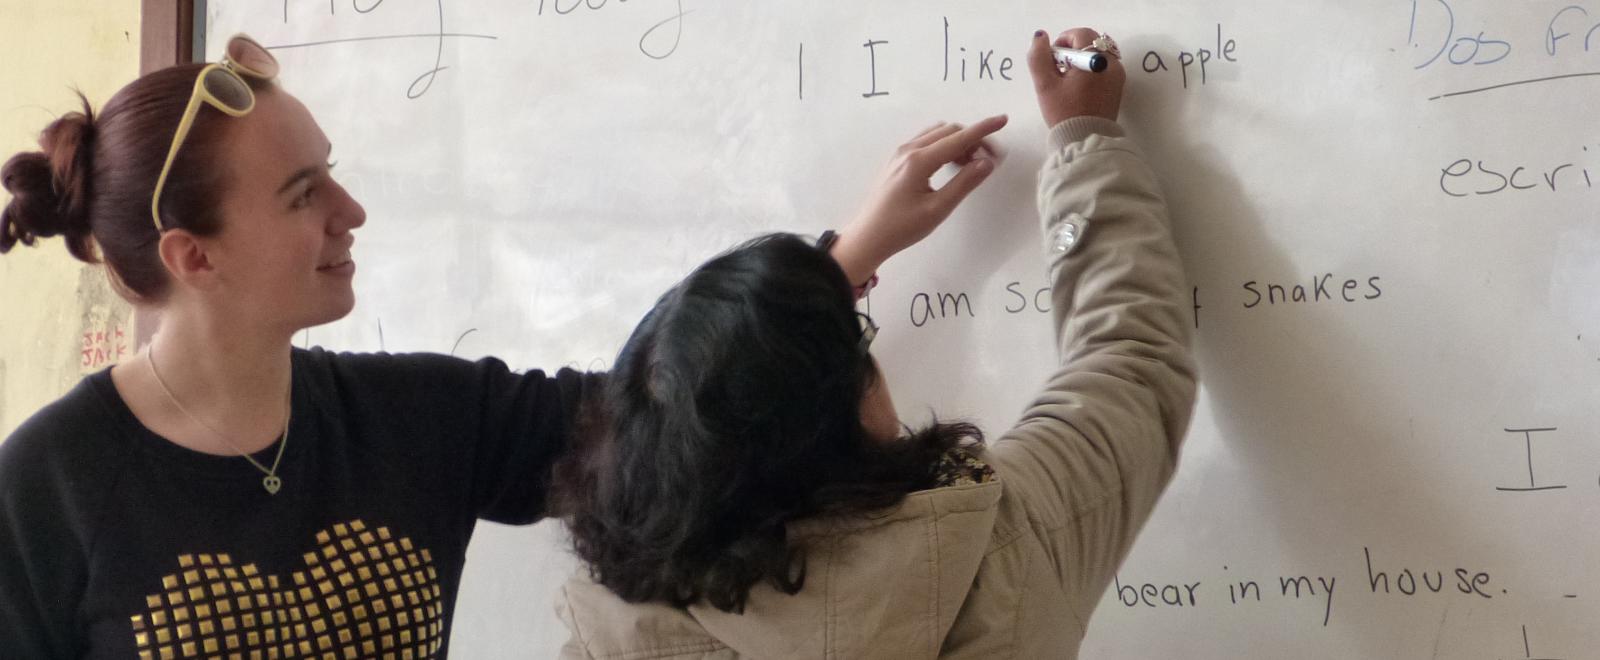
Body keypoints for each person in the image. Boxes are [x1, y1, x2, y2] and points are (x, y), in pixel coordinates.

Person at [0, 35, 1004, 657]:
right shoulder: (45, 486)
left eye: (332, 176)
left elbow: (672, 398)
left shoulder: (419, 419)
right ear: (195, 257)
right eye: (304, 194)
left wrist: (843, 257)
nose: (351, 212)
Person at [552, 27, 1197, 659]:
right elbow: (1131, 360)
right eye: (857, 344)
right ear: (849, 421)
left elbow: (705, 406)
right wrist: (1083, 141)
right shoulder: (998, 557)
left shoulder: (610, 635)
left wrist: (825, 277)